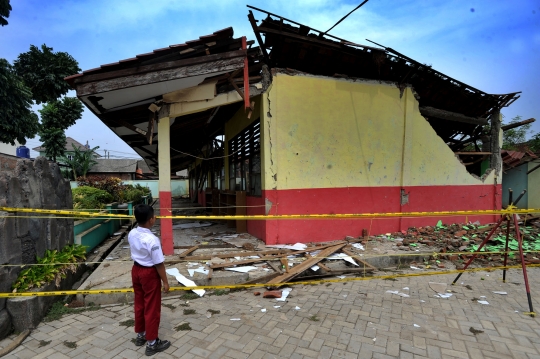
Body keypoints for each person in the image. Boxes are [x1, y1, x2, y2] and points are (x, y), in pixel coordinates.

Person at [128, 204, 171, 356]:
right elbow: (159, 263)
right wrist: (165, 282)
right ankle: (152, 343)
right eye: (154, 217)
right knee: (152, 307)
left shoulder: (132, 233)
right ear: (151, 220)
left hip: (136, 270)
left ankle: (140, 334)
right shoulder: (152, 240)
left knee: (140, 304)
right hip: (148, 274)